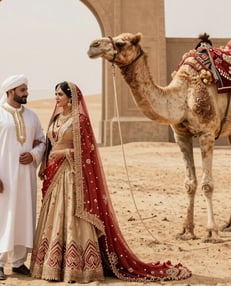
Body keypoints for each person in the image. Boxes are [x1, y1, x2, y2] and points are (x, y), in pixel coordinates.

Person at [30, 81, 192, 283]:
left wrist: (65, 153)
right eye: (55, 94)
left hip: (72, 177)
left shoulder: (79, 120)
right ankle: (52, 265)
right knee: (53, 216)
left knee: (73, 216)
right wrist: (45, 159)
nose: (56, 97)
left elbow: (87, 149)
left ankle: (78, 267)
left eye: (60, 94)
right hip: (55, 176)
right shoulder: (55, 118)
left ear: (70, 97)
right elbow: (50, 143)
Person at [0, 74, 46, 281]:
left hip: (26, 179)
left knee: (23, 217)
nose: (26, 93)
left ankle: (19, 263)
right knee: (1, 218)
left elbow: (42, 141)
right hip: (4, 179)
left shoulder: (32, 116)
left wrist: (34, 155)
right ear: (10, 92)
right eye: (22, 90)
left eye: (26, 89)